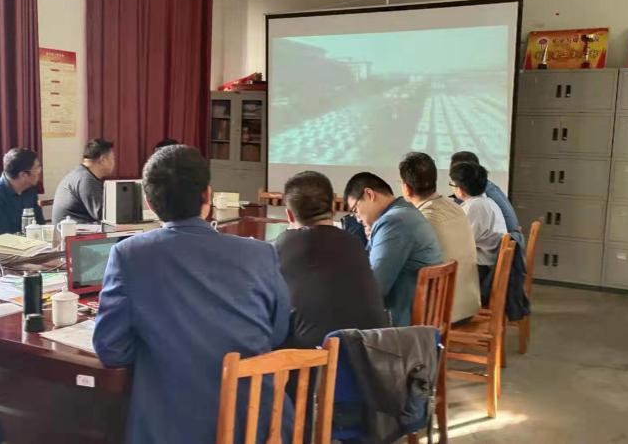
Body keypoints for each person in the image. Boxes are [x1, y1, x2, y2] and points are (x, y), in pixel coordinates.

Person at [93, 145, 290, 443]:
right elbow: (277, 332)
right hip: (259, 426)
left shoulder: (129, 255)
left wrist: (158, 346)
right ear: (207, 195)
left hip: (173, 429)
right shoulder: (261, 253)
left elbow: (111, 349)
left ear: (149, 202)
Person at [275, 171, 388, 349]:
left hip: (315, 359)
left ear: (289, 215)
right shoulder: (354, 243)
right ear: (333, 207)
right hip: (371, 354)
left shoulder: (284, 245)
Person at [343, 172, 443, 327]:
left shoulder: (394, 222)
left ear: (369, 194)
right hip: (416, 316)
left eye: (355, 210)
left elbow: (374, 287)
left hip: (400, 322)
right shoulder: (405, 211)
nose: (357, 218)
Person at [399, 153, 481, 323]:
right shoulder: (455, 207)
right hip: (468, 306)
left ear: (406, 188)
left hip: (440, 314)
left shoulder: (422, 219)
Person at [450, 162, 507, 281]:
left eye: (452, 184)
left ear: (460, 189)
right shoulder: (485, 202)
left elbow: (465, 242)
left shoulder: (475, 206)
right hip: (487, 262)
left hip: (481, 267)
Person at [0, 148, 45, 237]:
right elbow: (0, 237)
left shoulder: (29, 190)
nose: (40, 171)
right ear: (23, 175)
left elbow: (40, 225)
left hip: (25, 243)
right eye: (37, 168)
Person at [450, 151, 519, 233]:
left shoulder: (476, 202)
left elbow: (465, 235)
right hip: (507, 237)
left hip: (508, 237)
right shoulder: (484, 191)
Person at [52, 138, 115, 224]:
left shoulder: (80, 174)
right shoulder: (86, 179)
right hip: (74, 230)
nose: (114, 162)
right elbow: (103, 215)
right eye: (112, 158)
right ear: (103, 160)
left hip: (75, 228)